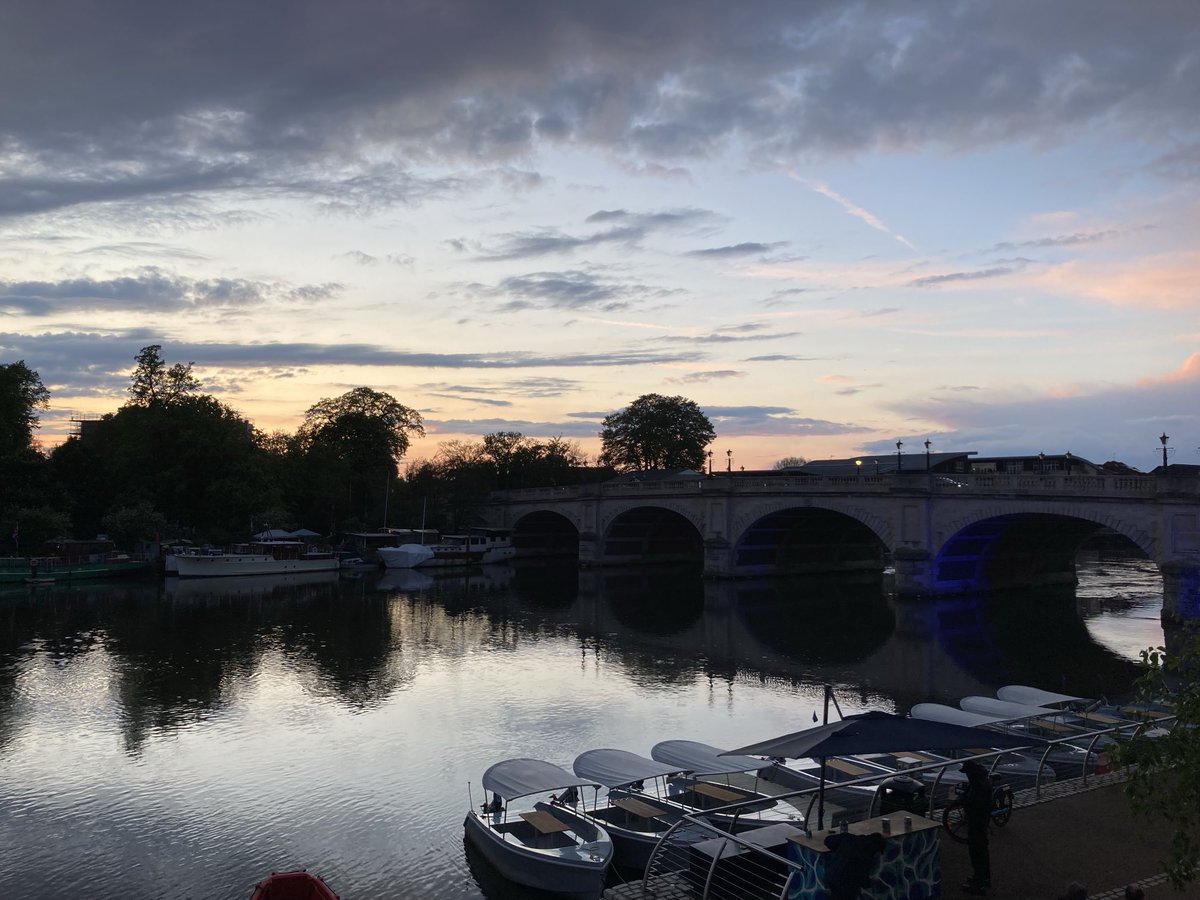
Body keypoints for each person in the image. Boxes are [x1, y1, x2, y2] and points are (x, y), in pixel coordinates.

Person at [960, 761, 992, 895]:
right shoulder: (984, 783)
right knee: (982, 852)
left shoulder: (978, 788)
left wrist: (963, 799)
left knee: (976, 852)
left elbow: (973, 806)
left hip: (976, 825)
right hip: (982, 824)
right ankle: (983, 878)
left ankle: (978, 883)